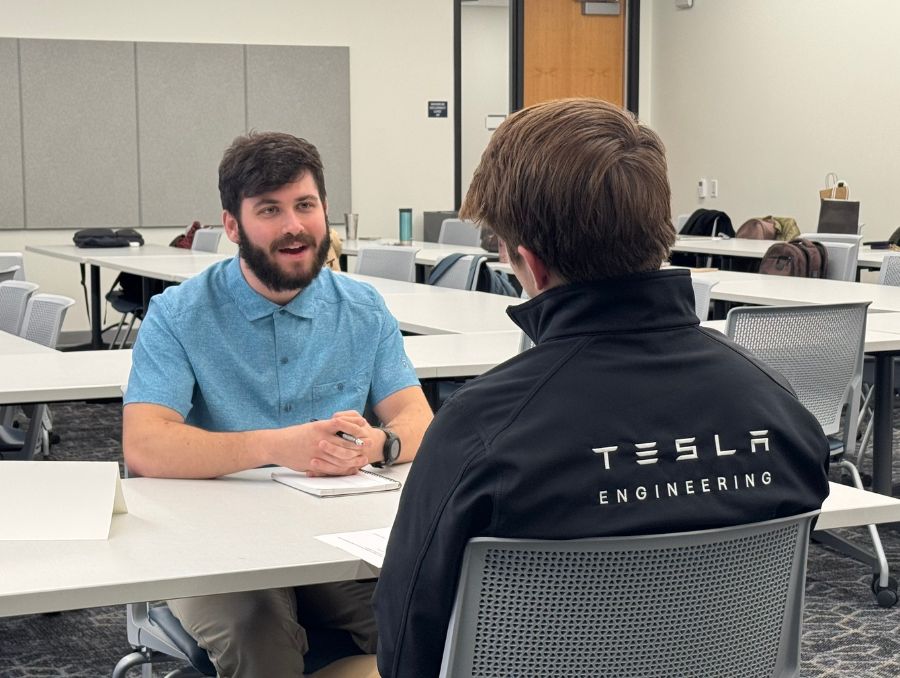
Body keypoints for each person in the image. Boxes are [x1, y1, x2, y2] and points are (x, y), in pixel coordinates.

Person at [373, 98, 830, 677]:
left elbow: (405, 656)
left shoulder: (481, 433)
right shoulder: (782, 413)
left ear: (530, 264)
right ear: (660, 237)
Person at [123, 131, 433, 678]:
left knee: (422, 621)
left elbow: (420, 421)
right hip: (213, 539)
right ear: (232, 226)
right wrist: (277, 446)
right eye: (270, 209)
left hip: (332, 530)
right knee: (258, 637)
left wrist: (379, 444)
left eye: (305, 205)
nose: (294, 225)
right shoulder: (179, 315)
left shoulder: (362, 308)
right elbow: (145, 445)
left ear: (325, 211)